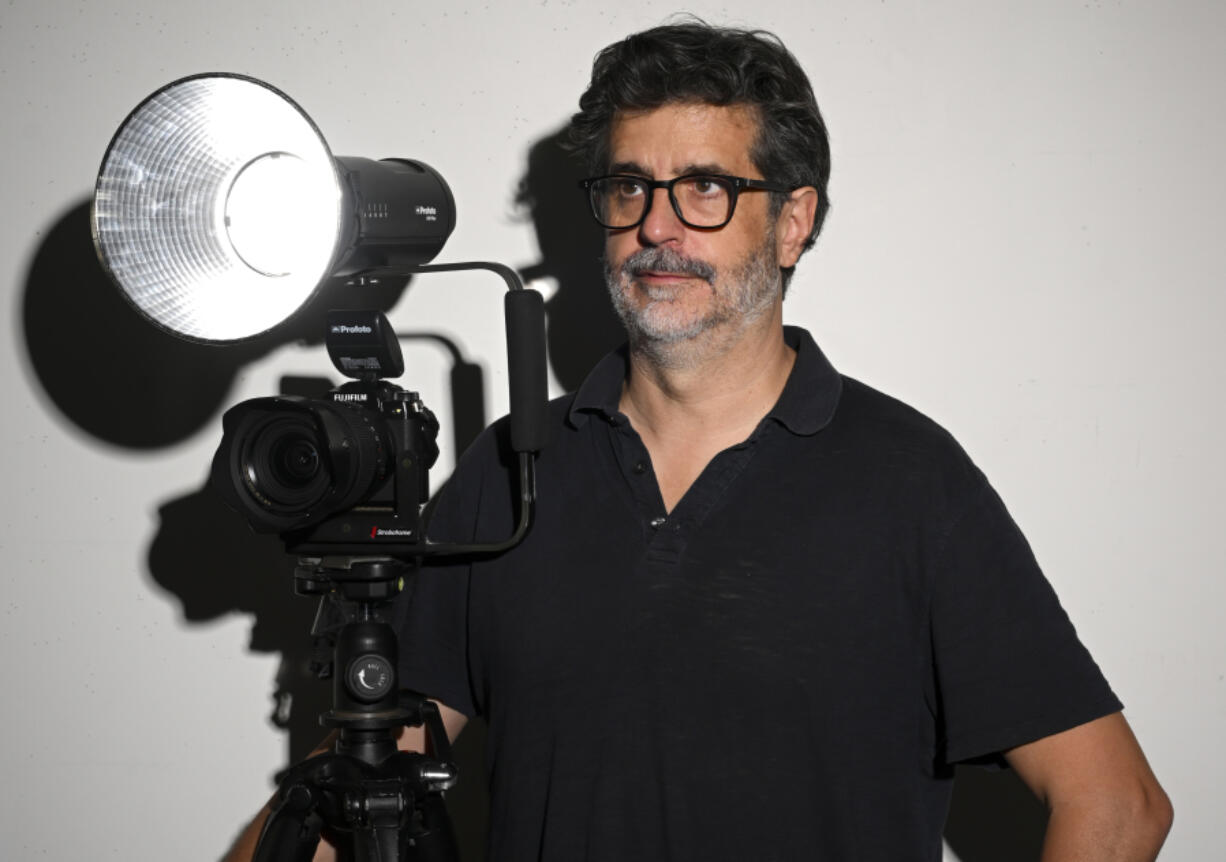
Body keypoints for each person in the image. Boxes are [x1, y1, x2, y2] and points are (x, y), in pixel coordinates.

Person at [226, 21, 1172, 862]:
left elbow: (1118, 807)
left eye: (707, 188)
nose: (657, 226)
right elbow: (379, 756)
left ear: (792, 221)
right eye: (630, 187)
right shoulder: (514, 468)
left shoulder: (912, 482)